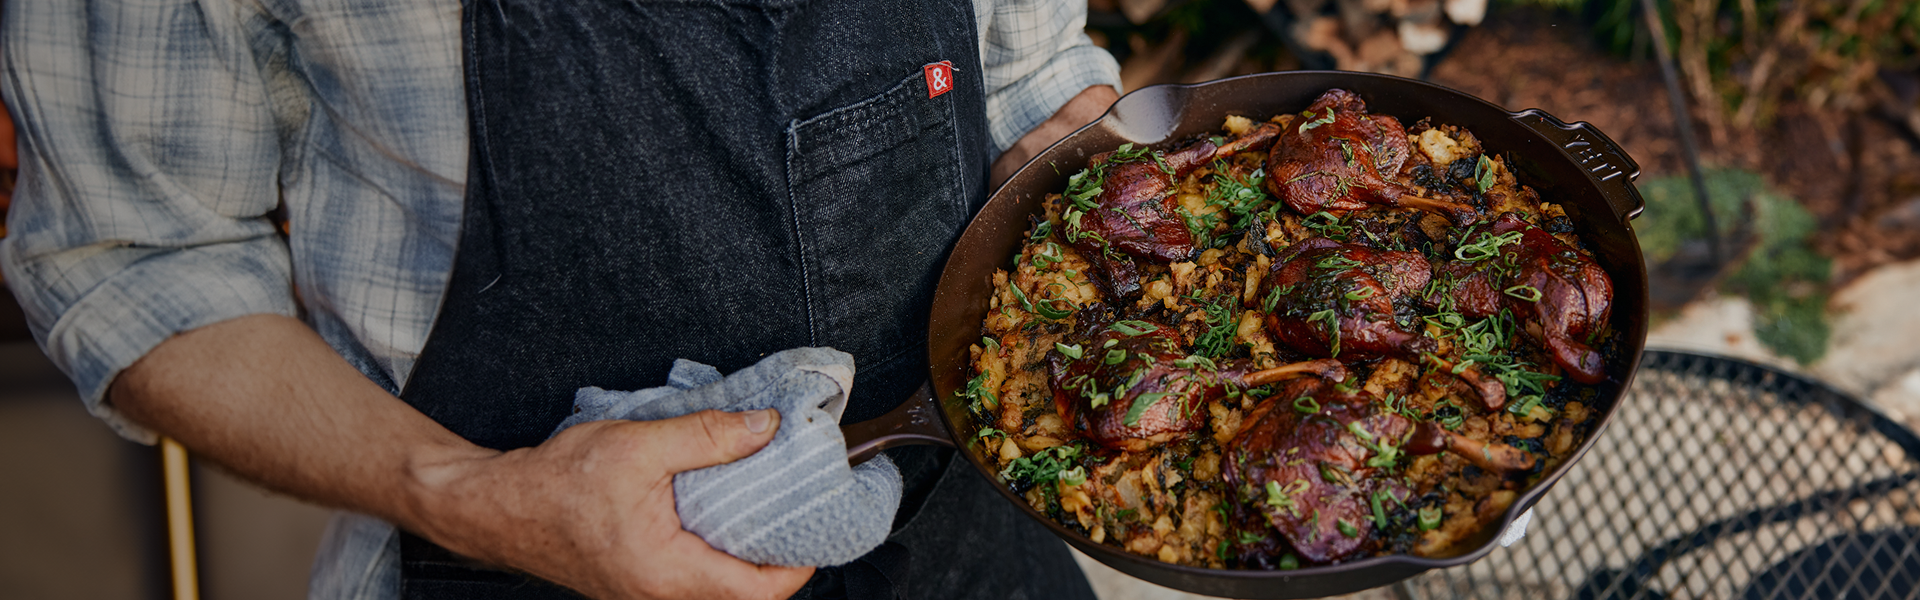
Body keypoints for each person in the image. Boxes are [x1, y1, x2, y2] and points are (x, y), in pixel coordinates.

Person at [0, 0, 1121, 599]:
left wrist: (1124, 215)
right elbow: (135, 260)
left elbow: (1026, 79)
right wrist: (472, 497)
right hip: (506, 567)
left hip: (969, 542)